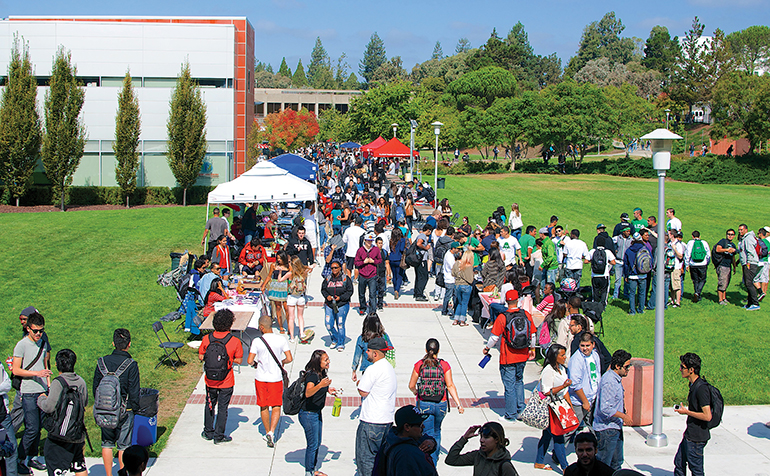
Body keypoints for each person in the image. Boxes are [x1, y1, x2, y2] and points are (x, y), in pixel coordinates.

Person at [408, 339, 465, 464]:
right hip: (441, 404)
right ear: (438, 351)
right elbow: (450, 385)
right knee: (437, 431)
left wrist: (416, 392)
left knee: (427, 433)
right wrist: (459, 404)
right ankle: (434, 459)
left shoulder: (420, 364)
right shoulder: (444, 365)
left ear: (425, 350)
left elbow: (411, 385)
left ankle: (428, 460)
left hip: (424, 403)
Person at [483, 290, 536, 422]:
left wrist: (487, 348)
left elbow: (494, 337)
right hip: (523, 355)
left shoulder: (503, 317)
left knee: (509, 386)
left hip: (508, 357)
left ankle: (510, 414)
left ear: (506, 301)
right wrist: (532, 349)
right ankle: (521, 409)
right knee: (519, 381)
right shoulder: (526, 315)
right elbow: (533, 334)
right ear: (518, 300)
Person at [94, 328, 141, 476]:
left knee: (107, 444)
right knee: (124, 446)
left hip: (105, 409)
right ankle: (123, 473)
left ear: (113, 343)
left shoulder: (101, 362)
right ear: (129, 344)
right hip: (124, 410)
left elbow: (95, 387)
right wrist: (135, 408)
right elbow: (134, 390)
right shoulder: (131, 364)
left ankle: (108, 474)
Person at [36, 349, 88, 476]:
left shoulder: (58, 382)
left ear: (56, 364)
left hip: (59, 436)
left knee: (55, 468)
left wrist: (41, 398)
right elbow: (84, 403)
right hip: (77, 434)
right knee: (79, 466)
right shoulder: (81, 382)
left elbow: (49, 407)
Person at [13, 311, 52, 474]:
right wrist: (37, 374)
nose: (38, 334)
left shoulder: (42, 342)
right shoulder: (21, 345)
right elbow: (16, 370)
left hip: (42, 391)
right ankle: (20, 459)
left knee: (39, 427)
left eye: (41, 330)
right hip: (28, 392)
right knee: (32, 428)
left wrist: (48, 387)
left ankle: (33, 457)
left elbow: (46, 365)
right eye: (35, 330)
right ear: (28, 328)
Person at [198, 309, 243, 444]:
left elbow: (201, 356)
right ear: (230, 324)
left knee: (210, 404)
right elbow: (239, 360)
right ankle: (219, 435)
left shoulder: (207, 339)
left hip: (210, 380)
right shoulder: (234, 341)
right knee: (223, 408)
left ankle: (208, 431)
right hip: (226, 381)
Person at [247, 314, 292, 448]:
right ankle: (272, 431)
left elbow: (250, 360)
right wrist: (281, 362)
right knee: (276, 405)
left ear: (261, 327)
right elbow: (289, 358)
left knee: (263, 405)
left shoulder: (257, 341)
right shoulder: (281, 339)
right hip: (275, 378)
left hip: (261, 378)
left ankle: (266, 431)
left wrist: (256, 364)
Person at [355, 337, 397, 476]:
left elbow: (363, 390)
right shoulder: (389, 368)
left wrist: (359, 384)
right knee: (382, 462)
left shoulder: (373, 369)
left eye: (368, 350)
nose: (366, 353)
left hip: (371, 422)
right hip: (386, 421)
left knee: (366, 461)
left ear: (375, 353)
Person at [299, 350, 338, 476]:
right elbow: (308, 392)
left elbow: (318, 389)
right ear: (318, 361)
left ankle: (313, 469)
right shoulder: (312, 375)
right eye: (325, 360)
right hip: (308, 414)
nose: (328, 362)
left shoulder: (320, 373)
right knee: (313, 444)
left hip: (316, 412)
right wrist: (321, 385)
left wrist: (327, 389)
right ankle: (309, 471)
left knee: (317, 442)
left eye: (328, 359)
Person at [674, 353, 713, 476]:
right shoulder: (693, 385)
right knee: (679, 463)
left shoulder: (701, 389)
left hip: (696, 438)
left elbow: (707, 416)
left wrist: (687, 412)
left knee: (696, 470)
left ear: (691, 370)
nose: (680, 369)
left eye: (682, 367)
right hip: (690, 434)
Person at [594, 349, 633, 471]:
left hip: (615, 427)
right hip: (607, 430)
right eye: (627, 366)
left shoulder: (615, 379)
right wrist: (623, 416)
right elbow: (605, 408)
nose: (628, 369)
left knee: (616, 464)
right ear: (617, 366)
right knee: (604, 465)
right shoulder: (609, 382)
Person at [534, 343, 571, 471]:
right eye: (562, 355)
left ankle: (539, 461)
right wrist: (563, 386)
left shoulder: (562, 369)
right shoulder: (548, 371)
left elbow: (565, 393)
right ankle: (566, 468)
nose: (565, 357)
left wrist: (570, 407)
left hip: (560, 406)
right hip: (550, 408)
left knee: (547, 435)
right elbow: (545, 391)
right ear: (555, 356)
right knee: (558, 437)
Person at [375, 405, 438, 476]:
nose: (423, 427)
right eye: (420, 425)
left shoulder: (396, 438)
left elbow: (426, 439)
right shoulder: (405, 455)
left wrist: (431, 442)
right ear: (407, 427)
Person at [445, 422, 518, 475]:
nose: (481, 440)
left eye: (486, 437)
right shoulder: (478, 456)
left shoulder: (505, 466)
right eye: (481, 437)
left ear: (497, 439)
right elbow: (451, 460)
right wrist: (464, 438)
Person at [568, 333, 602, 427]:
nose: (585, 348)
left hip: (593, 399)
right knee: (572, 428)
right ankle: (562, 442)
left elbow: (597, 375)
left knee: (594, 427)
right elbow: (575, 384)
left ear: (593, 345)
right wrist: (585, 402)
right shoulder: (576, 359)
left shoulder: (595, 355)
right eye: (582, 345)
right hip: (579, 402)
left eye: (588, 345)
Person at [321, 260, 353, 352]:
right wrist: (327, 296)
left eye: (336, 268)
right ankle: (335, 338)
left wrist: (341, 298)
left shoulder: (345, 279)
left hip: (342, 305)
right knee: (328, 324)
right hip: (329, 305)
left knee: (340, 324)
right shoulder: (328, 279)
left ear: (340, 268)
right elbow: (323, 289)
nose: (333, 269)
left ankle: (341, 343)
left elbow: (350, 291)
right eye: (332, 268)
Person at [351, 314, 393, 382]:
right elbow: (390, 348)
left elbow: (357, 356)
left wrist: (354, 370)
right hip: (382, 369)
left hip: (367, 369)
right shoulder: (384, 336)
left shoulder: (362, 338)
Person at [355, 232, 382, 315]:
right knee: (361, 293)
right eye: (367, 241)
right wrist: (364, 262)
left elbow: (380, 260)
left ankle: (372, 310)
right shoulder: (360, 250)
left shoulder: (376, 249)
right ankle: (362, 308)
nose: (369, 243)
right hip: (362, 275)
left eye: (370, 241)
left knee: (372, 294)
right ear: (364, 241)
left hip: (372, 275)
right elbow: (356, 262)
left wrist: (373, 261)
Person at [263, 251, 291, 334]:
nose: (278, 260)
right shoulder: (273, 265)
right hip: (275, 287)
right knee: (278, 307)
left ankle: (290, 326)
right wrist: (264, 285)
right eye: (277, 258)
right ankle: (281, 326)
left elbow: (290, 278)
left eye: (280, 258)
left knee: (287, 308)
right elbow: (269, 276)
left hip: (285, 287)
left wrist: (289, 288)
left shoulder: (288, 266)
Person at [286, 256, 310, 344]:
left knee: (291, 318)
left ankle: (292, 337)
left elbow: (280, 280)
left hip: (292, 297)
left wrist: (280, 273)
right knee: (300, 316)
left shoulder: (290, 274)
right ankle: (301, 333)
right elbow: (309, 268)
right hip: (300, 297)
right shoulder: (303, 273)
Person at [737, 224, 760, 310]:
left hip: (750, 263)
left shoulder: (748, 238)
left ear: (746, 230)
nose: (740, 231)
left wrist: (749, 262)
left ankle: (755, 303)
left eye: (741, 230)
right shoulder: (744, 238)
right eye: (739, 230)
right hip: (746, 263)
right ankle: (750, 303)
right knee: (748, 283)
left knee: (749, 283)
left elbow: (750, 251)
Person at [624, 232, 648, 314]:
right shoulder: (645, 249)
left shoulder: (628, 250)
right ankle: (641, 309)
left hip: (632, 275)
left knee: (632, 294)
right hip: (642, 274)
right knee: (642, 293)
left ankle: (632, 310)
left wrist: (626, 275)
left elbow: (626, 264)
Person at [587, 241, 616, 306]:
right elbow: (613, 262)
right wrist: (607, 263)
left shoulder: (592, 251)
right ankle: (603, 304)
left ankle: (595, 304)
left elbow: (586, 261)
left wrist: (593, 262)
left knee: (595, 290)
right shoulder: (607, 252)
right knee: (604, 290)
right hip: (604, 275)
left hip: (594, 275)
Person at [685, 231, 710, 303]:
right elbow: (708, 254)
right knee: (702, 279)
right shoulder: (704, 242)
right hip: (702, 264)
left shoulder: (690, 243)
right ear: (699, 236)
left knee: (695, 279)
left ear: (692, 236)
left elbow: (688, 253)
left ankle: (696, 292)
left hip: (693, 264)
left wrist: (687, 264)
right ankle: (698, 293)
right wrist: (707, 262)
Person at [715, 229, 738, 305]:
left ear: (734, 236)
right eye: (729, 234)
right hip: (722, 265)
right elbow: (718, 249)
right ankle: (720, 300)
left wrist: (734, 266)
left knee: (726, 283)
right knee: (722, 282)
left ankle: (724, 298)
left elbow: (733, 257)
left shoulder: (733, 245)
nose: (730, 236)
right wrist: (727, 250)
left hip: (728, 266)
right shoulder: (723, 241)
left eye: (732, 234)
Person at [413, 225, 433, 301]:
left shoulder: (421, 235)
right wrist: (425, 248)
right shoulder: (422, 236)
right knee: (424, 277)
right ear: (428, 230)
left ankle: (417, 292)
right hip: (421, 260)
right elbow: (418, 243)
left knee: (419, 276)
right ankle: (419, 294)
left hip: (419, 259)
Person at [388, 228, 408, 300]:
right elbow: (402, 249)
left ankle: (394, 288)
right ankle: (397, 289)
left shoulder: (391, 240)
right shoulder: (402, 240)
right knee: (399, 276)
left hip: (392, 259)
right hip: (399, 259)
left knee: (394, 275)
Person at [612, 227, 632, 300]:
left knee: (626, 279)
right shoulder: (617, 238)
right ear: (623, 232)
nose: (628, 233)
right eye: (627, 231)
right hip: (618, 261)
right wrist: (614, 250)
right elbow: (610, 243)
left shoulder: (631, 240)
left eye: (629, 231)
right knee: (618, 279)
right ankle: (615, 294)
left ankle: (626, 294)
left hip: (626, 262)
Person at [754, 226, 770, 301]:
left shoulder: (760, 242)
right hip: (767, 261)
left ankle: (761, 293)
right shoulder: (767, 242)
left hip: (761, 261)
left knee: (757, 278)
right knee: (765, 278)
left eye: (758, 233)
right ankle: (763, 292)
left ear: (760, 234)